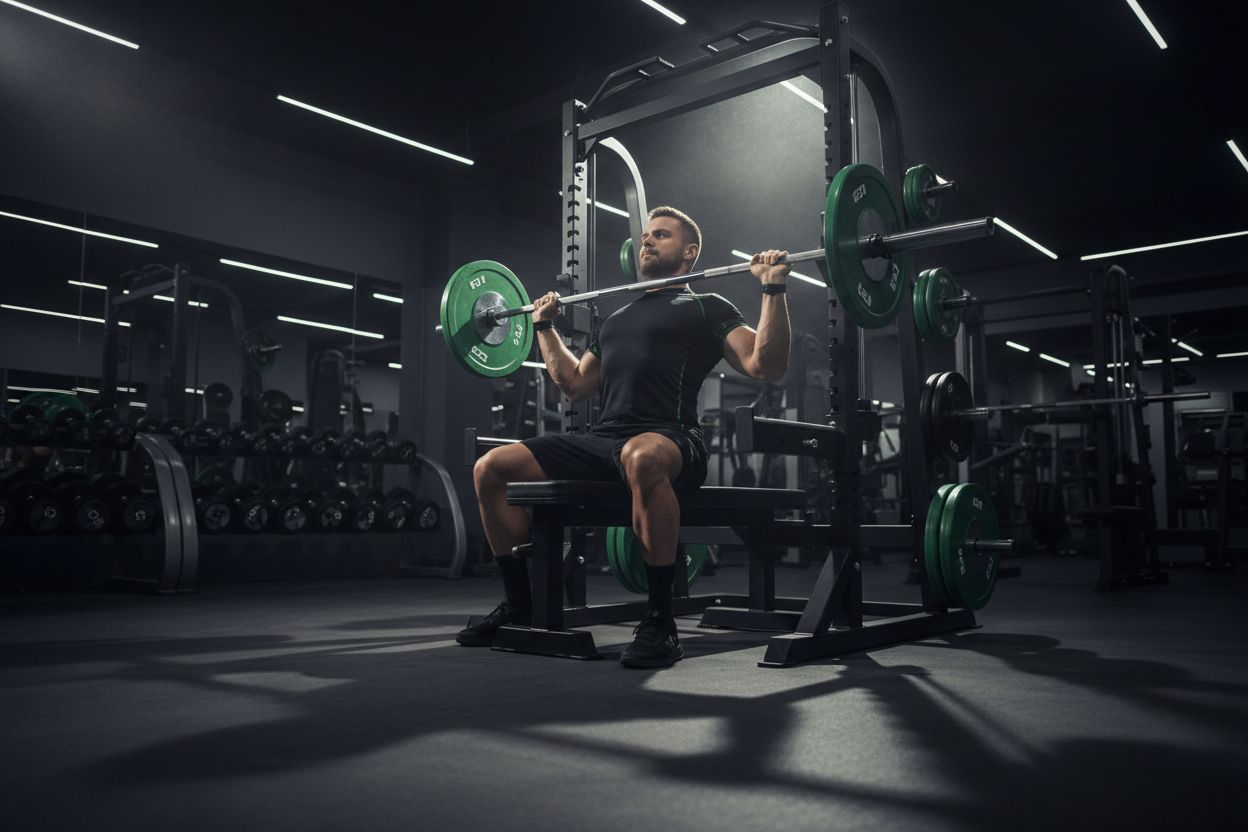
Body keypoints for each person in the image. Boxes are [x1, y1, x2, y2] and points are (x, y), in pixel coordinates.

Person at [457, 206, 791, 667]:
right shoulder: (615, 319)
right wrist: (544, 327)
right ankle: (519, 603)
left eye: (661, 235)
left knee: (642, 456)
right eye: (645, 236)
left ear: (689, 252)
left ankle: (660, 620)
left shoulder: (707, 306)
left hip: (674, 440)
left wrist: (772, 287)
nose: (647, 242)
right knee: (491, 468)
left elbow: (764, 364)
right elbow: (574, 384)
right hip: (605, 440)